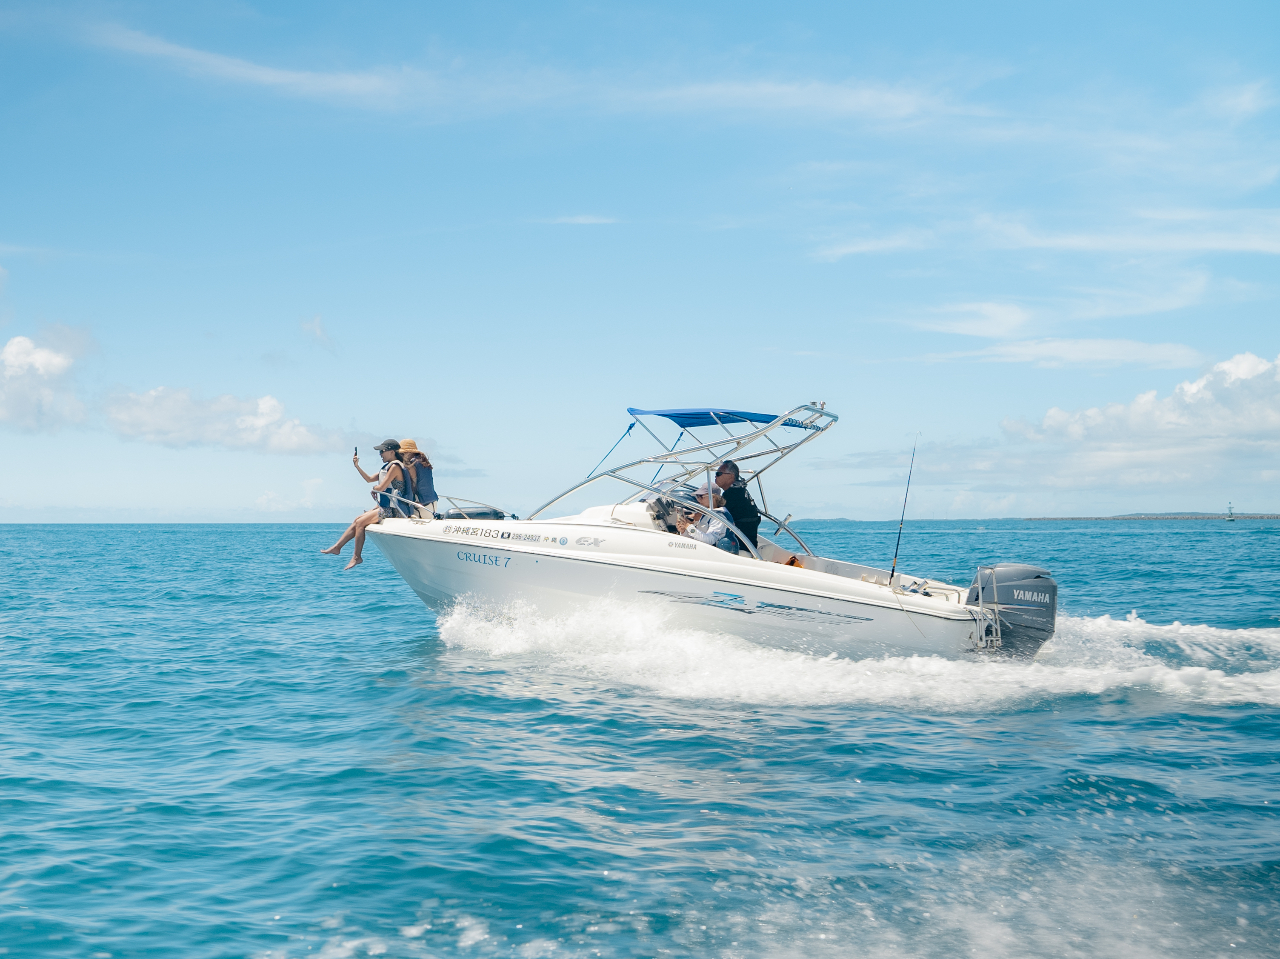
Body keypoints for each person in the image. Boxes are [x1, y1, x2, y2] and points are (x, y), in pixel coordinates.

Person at [320, 439, 405, 570]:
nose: (380, 454)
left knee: (360, 523)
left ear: (392, 452)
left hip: (394, 510)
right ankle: (337, 547)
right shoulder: (387, 467)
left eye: (382, 451)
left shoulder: (395, 466)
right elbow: (369, 479)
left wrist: (375, 489)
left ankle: (357, 557)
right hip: (385, 506)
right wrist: (357, 466)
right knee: (357, 520)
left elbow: (381, 487)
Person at [674, 486, 740, 554]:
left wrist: (689, 527)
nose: (698, 500)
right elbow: (698, 538)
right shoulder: (707, 515)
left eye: (701, 496)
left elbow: (710, 540)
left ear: (714, 497)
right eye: (697, 497)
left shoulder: (719, 516)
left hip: (715, 557)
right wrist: (684, 531)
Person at [714, 459, 761, 548]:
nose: (716, 476)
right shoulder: (741, 491)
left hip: (739, 545)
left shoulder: (732, 495)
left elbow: (716, 517)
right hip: (750, 543)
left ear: (731, 476)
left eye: (719, 474)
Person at [399, 439, 438, 518]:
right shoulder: (423, 463)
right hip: (432, 503)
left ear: (408, 453)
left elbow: (412, 486)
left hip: (421, 506)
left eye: (402, 454)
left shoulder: (412, 465)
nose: (400, 456)